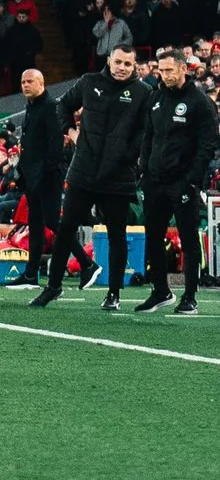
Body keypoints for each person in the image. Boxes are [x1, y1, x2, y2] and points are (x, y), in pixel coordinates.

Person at [36, 48, 150, 312]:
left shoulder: (143, 92)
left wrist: (127, 156)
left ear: (135, 65)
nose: (122, 67)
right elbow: (61, 105)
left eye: (128, 63)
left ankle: (113, 293)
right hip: (84, 168)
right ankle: (53, 287)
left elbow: (145, 131)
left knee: (116, 236)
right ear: (109, 60)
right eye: (118, 61)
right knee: (65, 228)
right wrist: (71, 131)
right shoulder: (89, 82)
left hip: (118, 174)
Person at [131, 48, 218, 317]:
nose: (164, 74)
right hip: (154, 181)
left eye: (169, 70)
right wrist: (143, 169)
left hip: (182, 183)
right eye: (161, 69)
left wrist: (190, 180)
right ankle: (161, 291)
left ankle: (190, 297)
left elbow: (207, 146)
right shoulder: (156, 97)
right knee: (153, 237)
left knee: (188, 239)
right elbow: (148, 136)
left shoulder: (200, 102)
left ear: (183, 68)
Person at [9, 65, 66, 287]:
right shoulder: (31, 107)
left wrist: (45, 174)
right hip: (34, 177)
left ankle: (87, 263)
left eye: (29, 81)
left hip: (47, 176)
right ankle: (31, 274)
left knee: (52, 221)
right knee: (36, 224)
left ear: (41, 83)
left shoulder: (51, 107)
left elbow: (55, 145)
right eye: (23, 82)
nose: (25, 85)